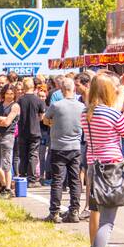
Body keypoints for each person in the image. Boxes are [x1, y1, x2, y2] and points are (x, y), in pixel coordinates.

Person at [81, 73, 124, 247]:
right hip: (111, 167)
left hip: (93, 166)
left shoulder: (85, 113)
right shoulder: (112, 115)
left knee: (97, 212)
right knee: (108, 220)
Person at [42, 77, 84, 223]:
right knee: (75, 180)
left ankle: (54, 212)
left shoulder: (56, 105)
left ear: (61, 90)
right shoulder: (81, 107)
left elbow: (45, 120)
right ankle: (74, 211)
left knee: (58, 180)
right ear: (74, 89)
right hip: (75, 147)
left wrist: (53, 123)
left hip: (58, 146)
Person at [0, 83, 20, 198]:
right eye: (7, 94)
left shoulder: (15, 106)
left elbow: (7, 122)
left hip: (7, 136)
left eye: (11, 94)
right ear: (3, 94)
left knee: (6, 163)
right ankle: (4, 184)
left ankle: (8, 188)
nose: (9, 96)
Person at [16, 76, 45, 185]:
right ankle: (32, 179)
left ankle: (23, 176)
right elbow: (42, 117)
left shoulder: (20, 100)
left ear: (24, 87)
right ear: (33, 87)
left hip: (22, 130)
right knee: (33, 155)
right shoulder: (38, 100)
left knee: (23, 155)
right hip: (35, 130)